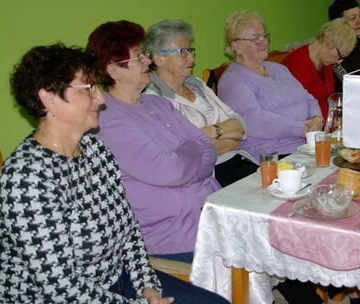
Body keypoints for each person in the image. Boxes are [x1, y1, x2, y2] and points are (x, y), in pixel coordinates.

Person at [0, 43, 228, 303]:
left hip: (117, 279)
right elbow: (60, 287)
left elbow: (128, 229)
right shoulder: (26, 178)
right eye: (88, 89)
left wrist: (147, 286)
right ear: (48, 98)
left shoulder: (95, 148)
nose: (101, 98)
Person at [87, 21, 220, 261]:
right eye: (138, 57)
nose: (147, 61)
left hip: (206, 213)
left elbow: (208, 148)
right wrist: (192, 149)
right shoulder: (107, 120)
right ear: (114, 70)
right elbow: (170, 169)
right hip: (170, 236)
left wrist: (186, 168)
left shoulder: (158, 103)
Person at [143, 19, 252, 187]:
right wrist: (229, 142)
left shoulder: (197, 84)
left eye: (191, 51)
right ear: (159, 59)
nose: (192, 59)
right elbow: (183, 153)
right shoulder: (153, 100)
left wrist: (214, 131)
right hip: (209, 178)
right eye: (183, 52)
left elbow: (240, 124)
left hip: (240, 161)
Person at [218, 10, 323, 164]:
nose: (265, 42)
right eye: (256, 38)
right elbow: (253, 121)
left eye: (265, 36)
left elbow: (308, 97)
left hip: (306, 147)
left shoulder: (279, 69)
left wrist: (316, 118)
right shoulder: (233, 80)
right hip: (272, 158)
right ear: (236, 46)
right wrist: (301, 129)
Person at [282, 18, 356, 120]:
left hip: (327, 124)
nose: (339, 62)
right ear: (329, 41)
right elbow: (295, 110)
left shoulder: (326, 62)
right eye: (340, 55)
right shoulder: (297, 64)